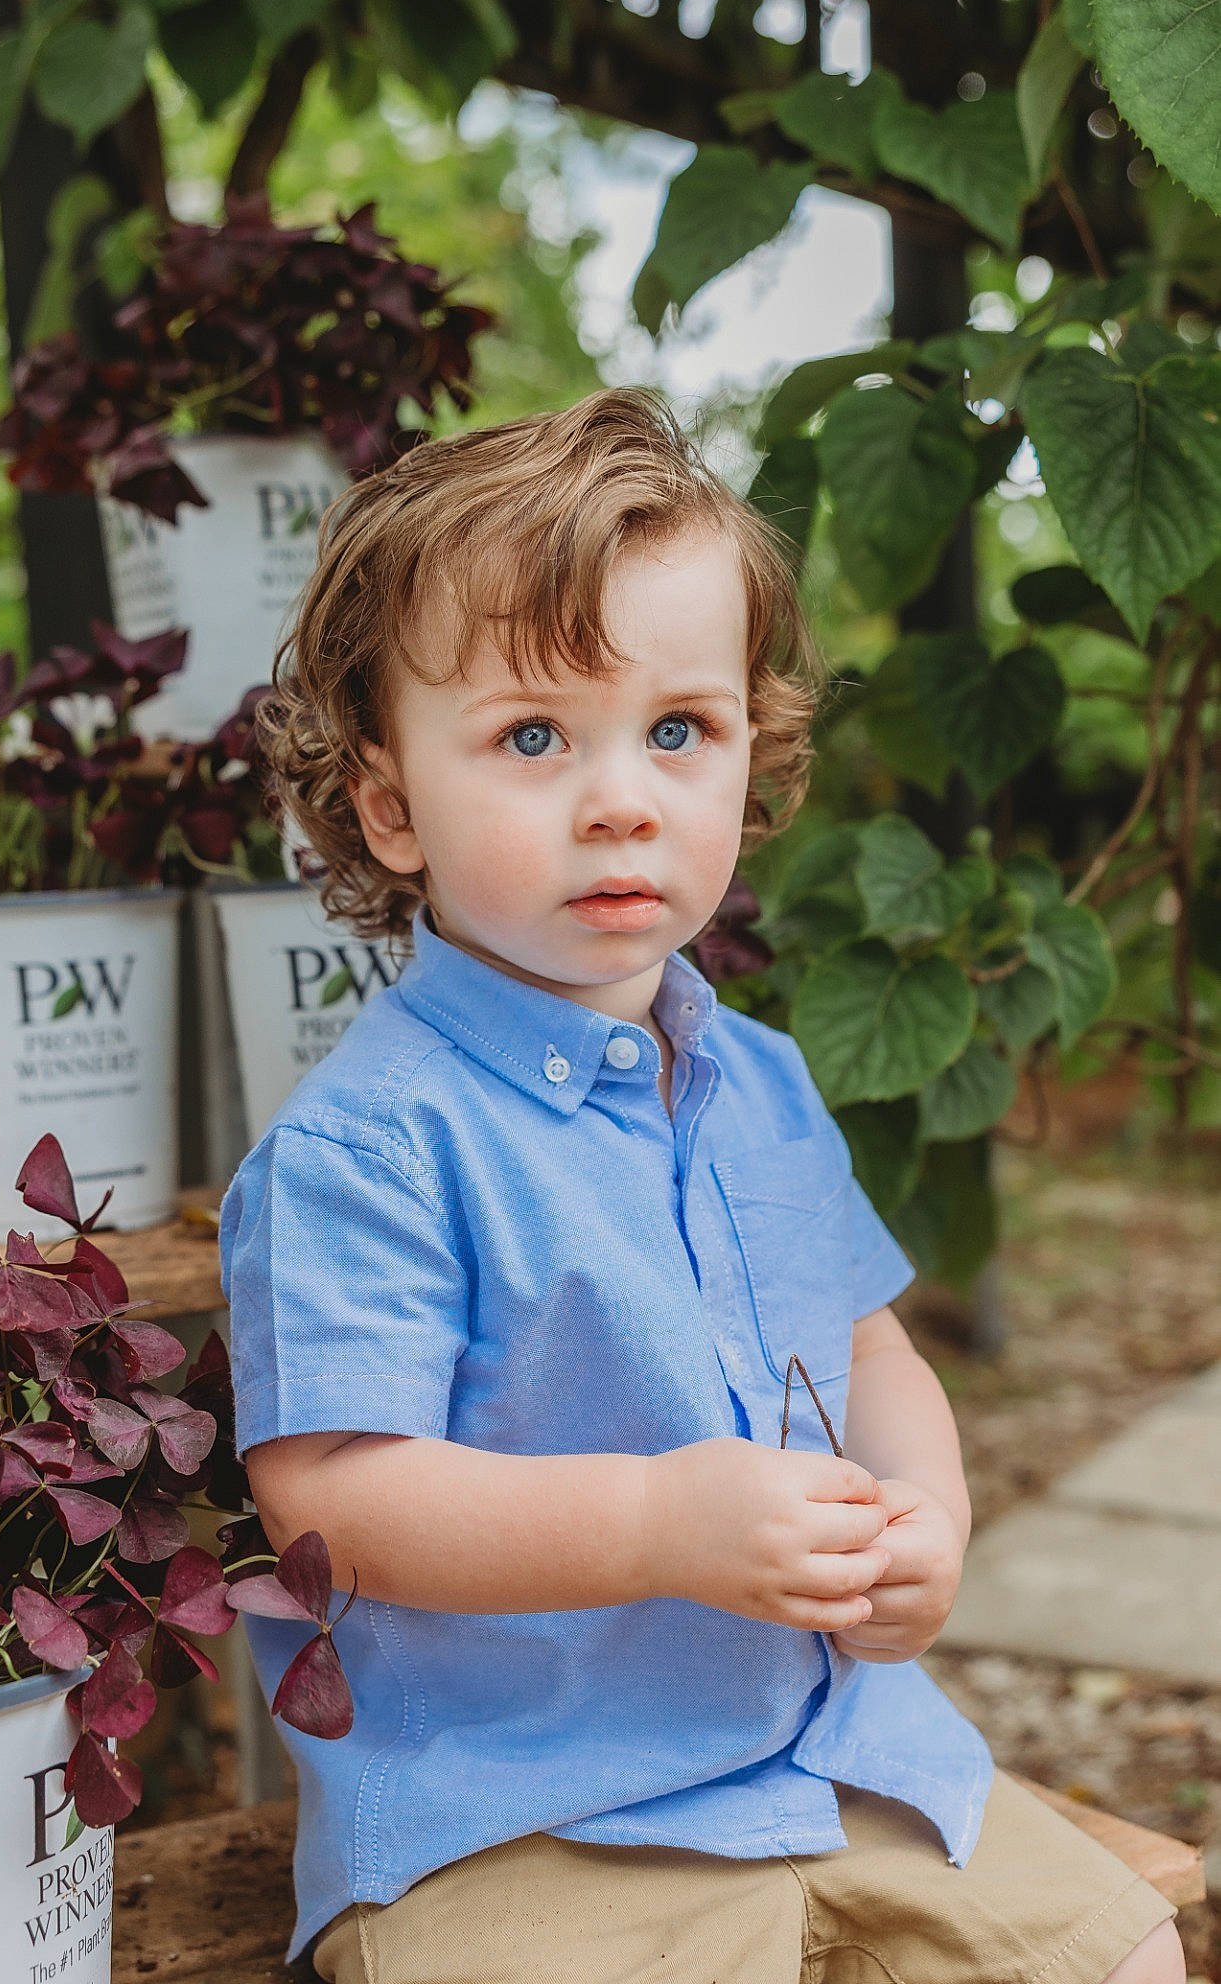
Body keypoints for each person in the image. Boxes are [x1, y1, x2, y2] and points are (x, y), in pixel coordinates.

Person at [219, 386, 1184, 1984]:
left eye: (678, 728)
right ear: (389, 806)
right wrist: (655, 1520)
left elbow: (869, 1350)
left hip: (834, 1756)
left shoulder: (761, 1081)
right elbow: (332, 1502)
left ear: (754, 751)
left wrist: (923, 1517)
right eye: (533, 736)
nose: (622, 795)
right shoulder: (365, 1148)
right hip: (524, 1814)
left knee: (1118, 1953)